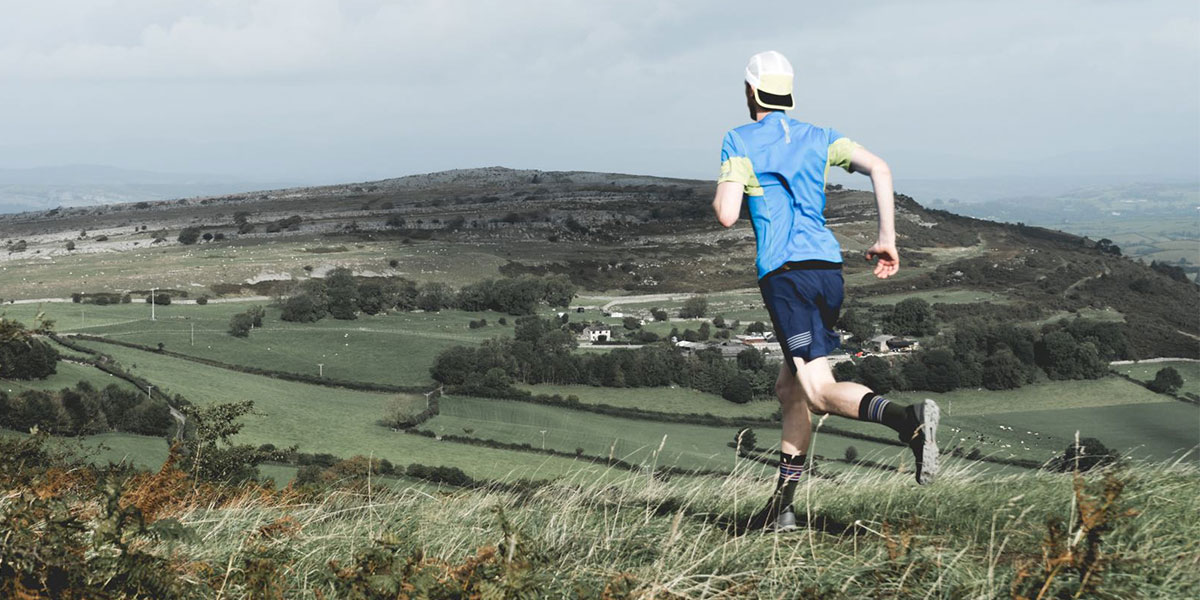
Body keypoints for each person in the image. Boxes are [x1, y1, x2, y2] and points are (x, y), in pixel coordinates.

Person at [711, 50, 939, 532]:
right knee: (789, 390)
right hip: (827, 273)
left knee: (815, 391)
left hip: (786, 276)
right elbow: (880, 168)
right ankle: (782, 509)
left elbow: (727, 214)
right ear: (786, 92)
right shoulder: (820, 137)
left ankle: (908, 421)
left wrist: (731, 179)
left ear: (749, 91)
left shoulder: (739, 140)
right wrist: (887, 239)